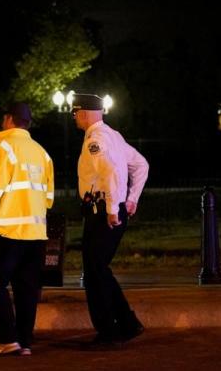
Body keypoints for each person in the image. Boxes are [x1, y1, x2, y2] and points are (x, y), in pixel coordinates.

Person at [0, 103, 54, 357]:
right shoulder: (42, 153)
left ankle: (7, 338)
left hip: (8, 231)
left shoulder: (3, 147)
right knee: (26, 288)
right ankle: (25, 342)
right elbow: (49, 199)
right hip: (36, 232)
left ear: (9, 119)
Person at [71, 93, 149, 346]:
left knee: (94, 272)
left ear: (83, 113)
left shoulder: (96, 139)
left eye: (75, 112)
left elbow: (109, 173)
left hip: (102, 212)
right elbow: (141, 164)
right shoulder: (113, 135)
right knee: (99, 270)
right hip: (109, 209)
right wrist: (132, 199)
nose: (73, 117)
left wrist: (113, 209)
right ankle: (127, 322)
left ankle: (108, 332)